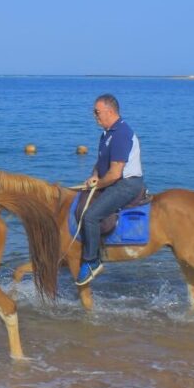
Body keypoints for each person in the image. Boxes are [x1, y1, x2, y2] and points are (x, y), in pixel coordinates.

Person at [77, 94, 145, 286]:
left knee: (90, 216)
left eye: (97, 112)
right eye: (94, 112)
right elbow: (101, 164)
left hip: (127, 184)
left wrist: (98, 185)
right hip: (115, 181)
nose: (94, 115)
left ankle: (92, 261)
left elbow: (115, 174)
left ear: (110, 111)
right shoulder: (107, 134)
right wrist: (94, 175)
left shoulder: (121, 133)